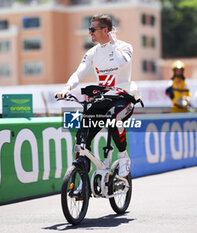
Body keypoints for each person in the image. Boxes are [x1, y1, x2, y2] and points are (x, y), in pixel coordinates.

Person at [55, 14, 138, 177]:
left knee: (114, 119)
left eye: (93, 29)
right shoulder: (93, 52)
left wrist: (113, 43)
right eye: (89, 29)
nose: (90, 32)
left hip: (124, 98)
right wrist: (67, 88)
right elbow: (79, 72)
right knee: (81, 136)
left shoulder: (125, 47)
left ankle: (123, 157)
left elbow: (122, 62)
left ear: (106, 30)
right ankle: (82, 180)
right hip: (104, 98)